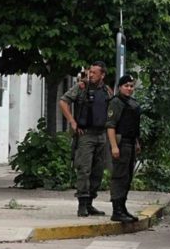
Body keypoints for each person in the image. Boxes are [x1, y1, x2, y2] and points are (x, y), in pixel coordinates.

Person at [60, 61, 112, 217]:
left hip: (101, 134)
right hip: (86, 135)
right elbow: (63, 101)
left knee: (98, 170)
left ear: (102, 75)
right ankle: (82, 204)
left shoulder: (107, 91)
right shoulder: (81, 88)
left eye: (95, 73)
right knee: (84, 169)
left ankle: (90, 203)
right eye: (90, 72)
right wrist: (72, 121)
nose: (91, 75)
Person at [106, 74, 142, 223]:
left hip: (131, 143)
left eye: (131, 86)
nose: (129, 89)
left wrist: (137, 143)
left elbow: (134, 126)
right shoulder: (116, 102)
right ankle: (117, 210)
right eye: (126, 86)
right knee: (119, 177)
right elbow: (110, 126)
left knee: (127, 177)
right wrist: (114, 146)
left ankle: (123, 207)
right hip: (121, 144)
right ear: (120, 87)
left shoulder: (131, 103)